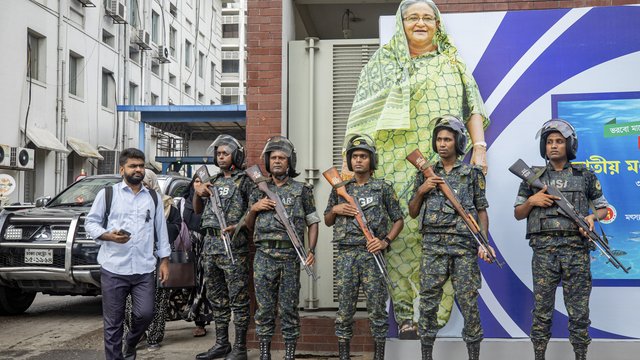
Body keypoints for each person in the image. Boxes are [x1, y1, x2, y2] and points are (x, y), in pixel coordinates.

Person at [344, 0, 490, 338]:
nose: (420, 23)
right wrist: (351, 166)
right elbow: (360, 118)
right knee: (402, 232)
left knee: (446, 234)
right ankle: (406, 315)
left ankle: (434, 316)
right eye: (413, 18)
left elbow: (473, 108)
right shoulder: (380, 65)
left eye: (428, 17)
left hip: (444, 164)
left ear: (437, 25)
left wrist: (479, 148)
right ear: (401, 23)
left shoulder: (452, 64)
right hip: (394, 165)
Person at [513, 119, 608, 360]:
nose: (554, 146)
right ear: (544, 146)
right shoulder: (532, 176)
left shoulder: (585, 175)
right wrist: (531, 202)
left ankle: (580, 356)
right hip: (544, 253)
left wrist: (590, 217)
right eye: (550, 142)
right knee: (542, 311)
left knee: (579, 312)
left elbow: (604, 209)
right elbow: (518, 213)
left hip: (576, 252)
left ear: (570, 145)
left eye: (559, 141)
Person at [407, 116, 494, 360]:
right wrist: (423, 189)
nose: (442, 143)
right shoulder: (425, 172)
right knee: (428, 302)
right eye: (439, 139)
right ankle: (426, 354)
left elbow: (481, 210)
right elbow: (413, 212)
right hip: (433, 246)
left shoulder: (471, 173)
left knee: (469, 301)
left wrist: (483, 243)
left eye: (448, 139)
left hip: (464, 247)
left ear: (458, 142)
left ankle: (474, 354)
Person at [85, 148, 171, 360]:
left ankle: (130, 343)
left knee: (146, 314)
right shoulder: (108, 194)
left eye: (141, 166)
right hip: (114, 267)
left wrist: (165, 260)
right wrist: (108, 235)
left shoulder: (152, 196)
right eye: (133, 166)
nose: (138, 170)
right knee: (113, 323)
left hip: (144, 268)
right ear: (122, 169)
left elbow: (161, 229)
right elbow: (91, 223)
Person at [324, 135, 404, 360]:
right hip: (346, 255)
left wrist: (385, 241)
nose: (358, 160)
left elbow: (398, 220)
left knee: (377, 310)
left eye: (363, 156)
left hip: (372, 255)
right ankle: (344, 356)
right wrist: (336, 210)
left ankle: (379, 356)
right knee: (344, 311)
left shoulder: (383, 188)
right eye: (355, 157)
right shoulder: (339, 188)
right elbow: (327, 219)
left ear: (372, 160)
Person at [245, 136, 320, 360]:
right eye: (273, 158)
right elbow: (248, 226)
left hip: (290, 256)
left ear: (290, 162)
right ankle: (265, 353)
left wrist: (311, 250)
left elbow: (313, 222)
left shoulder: (302, 190)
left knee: (288, 308)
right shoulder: (258, 188)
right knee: (265, 309)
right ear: (268, 162)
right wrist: (255, 208)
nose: (277, 161)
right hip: (264, 256)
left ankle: (289, 354)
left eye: (282, 158)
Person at [194, 135, 254, 360]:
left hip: (233, 247)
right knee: (217, 297)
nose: (220, 157)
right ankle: (221, 343)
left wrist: (237, 225)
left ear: (235, 156)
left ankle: (240, 347)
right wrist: (198, 191)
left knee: (238, 299)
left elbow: (253, 211)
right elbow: (198, 210)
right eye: (218, 154)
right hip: (210, 246)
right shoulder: (213, 180)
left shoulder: (245, 180)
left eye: (225, 153)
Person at [123, 169, 182, 351]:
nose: (145, 186)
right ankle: (135, 335)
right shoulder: (128, 203)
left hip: (158, 259)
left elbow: (175, 228)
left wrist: (156, 232)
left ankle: (154, 336)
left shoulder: (166, 204)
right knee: (130, 300)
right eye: (142, 183)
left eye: (148, 183)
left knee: (158, 298)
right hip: (134, 258)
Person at [178, 174, 213, 337]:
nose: (198, 184)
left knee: (202, 285)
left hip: (205, 247)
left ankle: (201, 322)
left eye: (201, 182)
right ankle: (186, 313)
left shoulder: (210, 200)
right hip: (188, 247)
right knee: (186, 284)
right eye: (196, 181)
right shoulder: (183, 201)